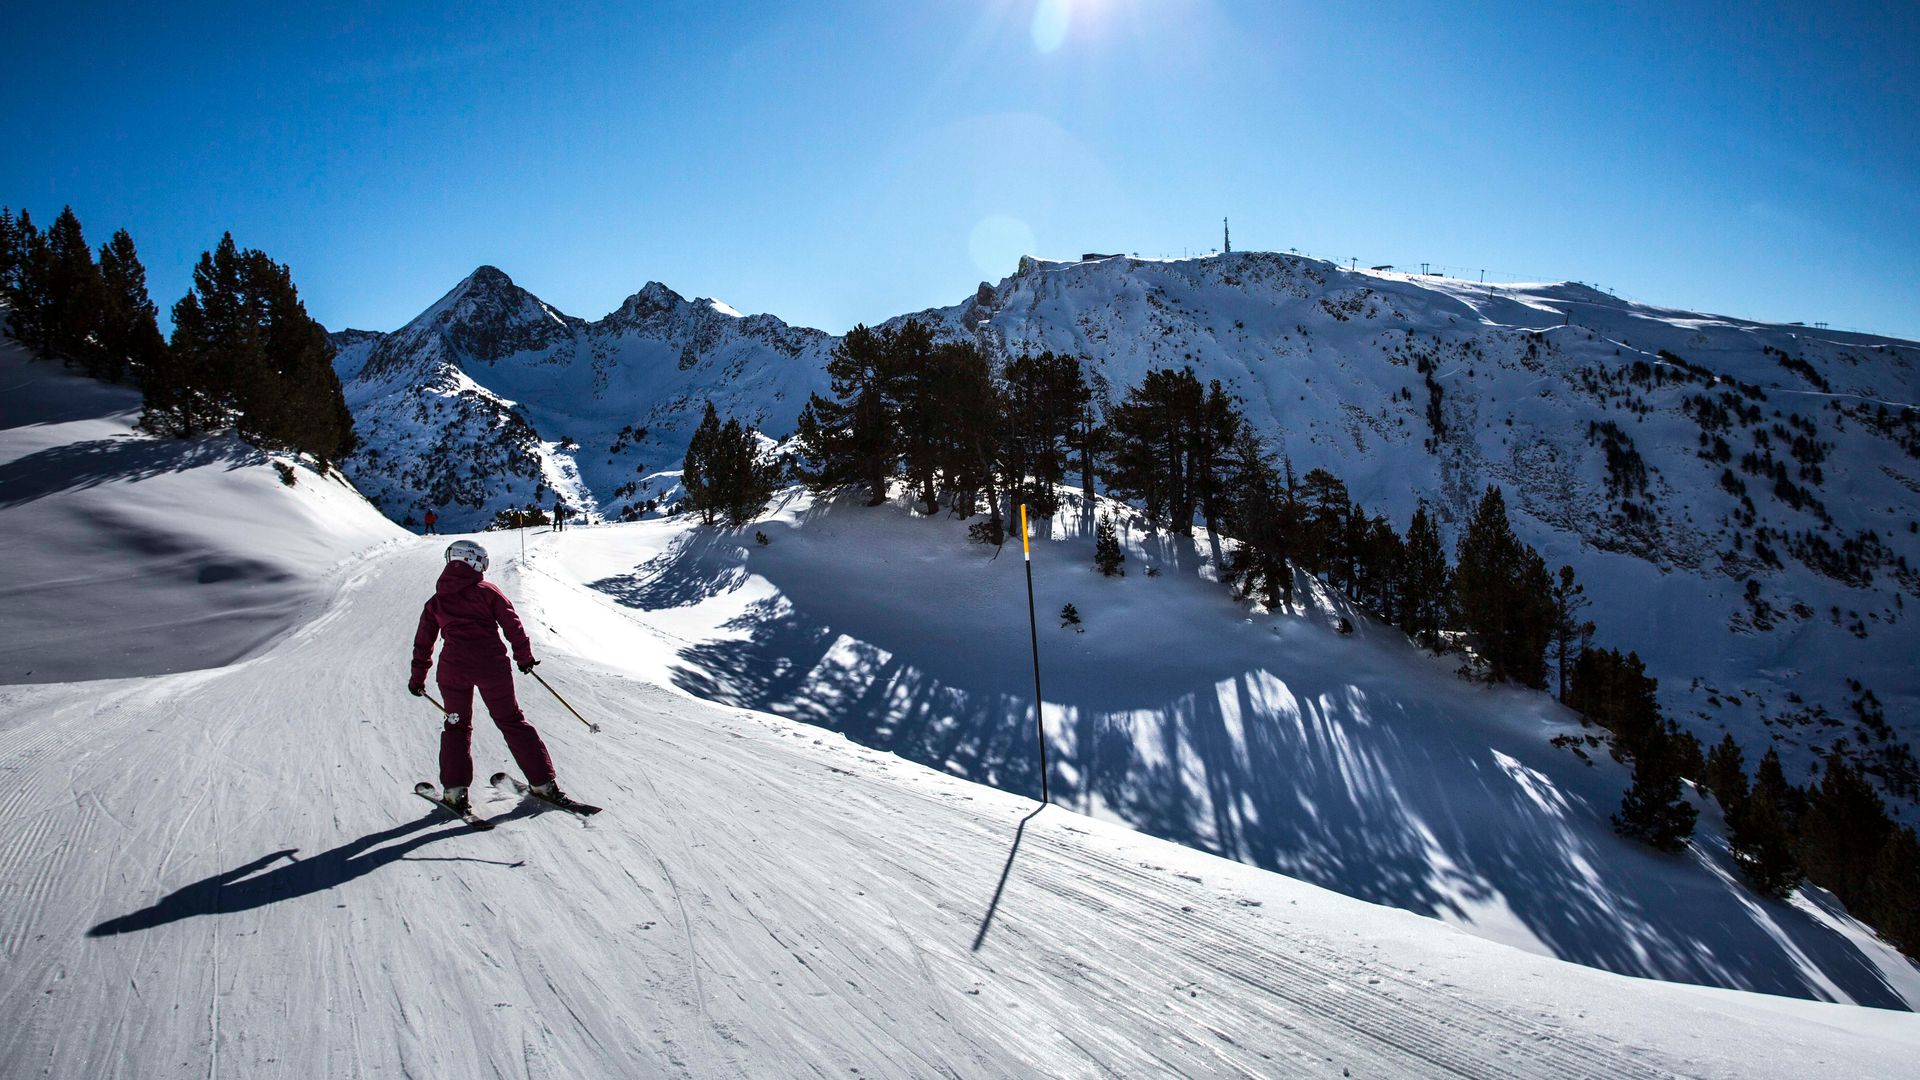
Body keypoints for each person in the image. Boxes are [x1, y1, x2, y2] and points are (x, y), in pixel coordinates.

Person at [408, 540, 565, 811]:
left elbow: (424, 643)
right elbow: (512, 624)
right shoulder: (487, 591)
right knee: (512, 721)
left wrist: (417, 679)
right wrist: (524, 658)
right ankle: (543, 784)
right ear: (476, 563)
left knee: (456, 726)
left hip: (453, 670)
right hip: (492, 666)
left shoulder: (436, 602)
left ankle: (455, 792)